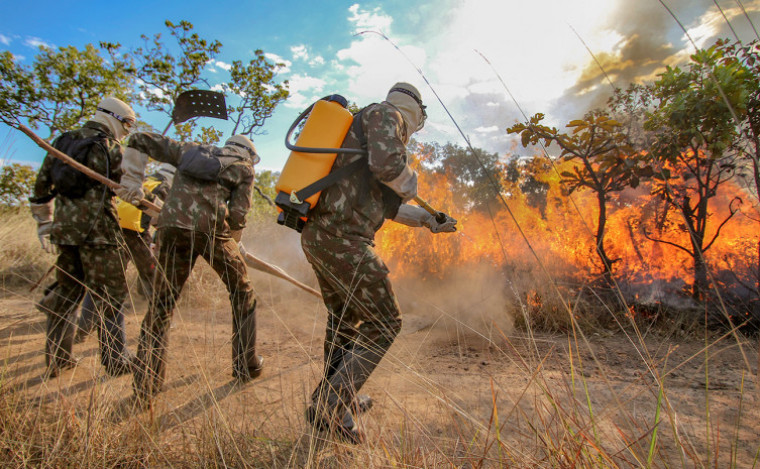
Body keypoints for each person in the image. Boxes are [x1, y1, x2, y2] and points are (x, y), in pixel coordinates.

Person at [301, 83, 457, 443]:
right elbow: (390, 168)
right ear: (416, 112)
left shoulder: (366, 136)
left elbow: (389, 204)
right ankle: (329, 405)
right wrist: (408, 179)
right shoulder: (386, 114)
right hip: (344, 240)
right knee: (385, 321)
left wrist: (427, 220)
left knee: (345, 320)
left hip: (322, 236)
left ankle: (339, 397)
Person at [116, 133, 262, 402]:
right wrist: (235, 245)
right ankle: (246, 364)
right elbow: (239, 215)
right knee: (243, 293)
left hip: (171, 228)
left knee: (162, 302)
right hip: (212, 232)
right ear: (249, 154)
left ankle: (146, 385)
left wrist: (131, 181)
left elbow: (138, 138)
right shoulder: (244, 167)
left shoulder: (190, 151)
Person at [30, 96, 138, 378]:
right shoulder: (111, 147)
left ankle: (58, 359)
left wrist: (44, 223)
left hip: (65, 233)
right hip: (100, 235)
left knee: (67, 294)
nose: (127, 130)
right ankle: (116, 361)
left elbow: (42, 185)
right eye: (127, 123)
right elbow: (125, 186)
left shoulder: (62, 142)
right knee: (111, 297)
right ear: (112, 117)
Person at [75, 163, 175, 342]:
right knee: (152, 274)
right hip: (134, 233)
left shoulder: (146, 180)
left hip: (113, 228)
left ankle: (84, 326)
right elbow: (158, 215)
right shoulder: (165, 186)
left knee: (105, 280)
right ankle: (160, 321)